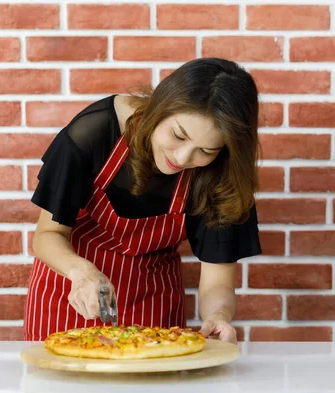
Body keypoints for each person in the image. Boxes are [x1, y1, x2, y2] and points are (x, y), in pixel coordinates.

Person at [23, 57, 262, 344]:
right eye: (178, 135)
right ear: (162, 107)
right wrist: (81, 271)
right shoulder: (96, 131)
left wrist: (218, 315)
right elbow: (47, 235)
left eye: (206, 150)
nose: (182, 158)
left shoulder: (221, 174)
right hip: (68, 299)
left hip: (154, 310)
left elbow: (217, 280)